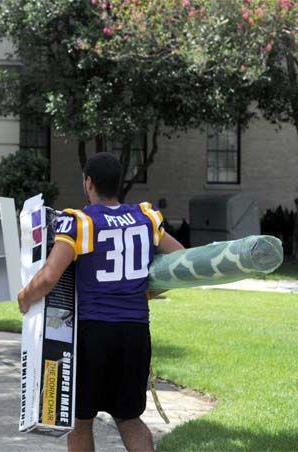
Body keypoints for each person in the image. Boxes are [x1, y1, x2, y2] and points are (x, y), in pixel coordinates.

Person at [17, 153, 184, 452]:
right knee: (129, 418)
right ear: (118, 183)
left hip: (94, 332)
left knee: (81, 420)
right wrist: (146, 291)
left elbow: (48, 278)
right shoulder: (146, 216)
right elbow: (179, 261)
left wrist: (24, 297)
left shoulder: (80, 221)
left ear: (88, 182)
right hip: (135, 331)